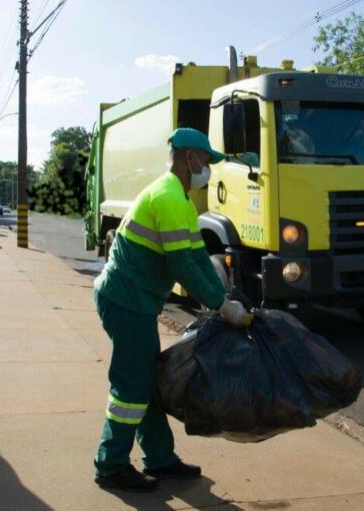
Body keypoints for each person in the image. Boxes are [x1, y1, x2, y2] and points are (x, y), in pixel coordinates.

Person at [92, 127, 251, 492]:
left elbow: (197, 257)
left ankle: (160, 459)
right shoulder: (168, 196)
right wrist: (221, 307)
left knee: (147, 384)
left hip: (136, 301)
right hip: (125, 302)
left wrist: (225, 296)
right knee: (130, 390)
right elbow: (182, 268)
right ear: (188, 157)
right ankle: (111, 464)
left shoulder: (180, 198)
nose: (208, 167)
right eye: (206, 160)